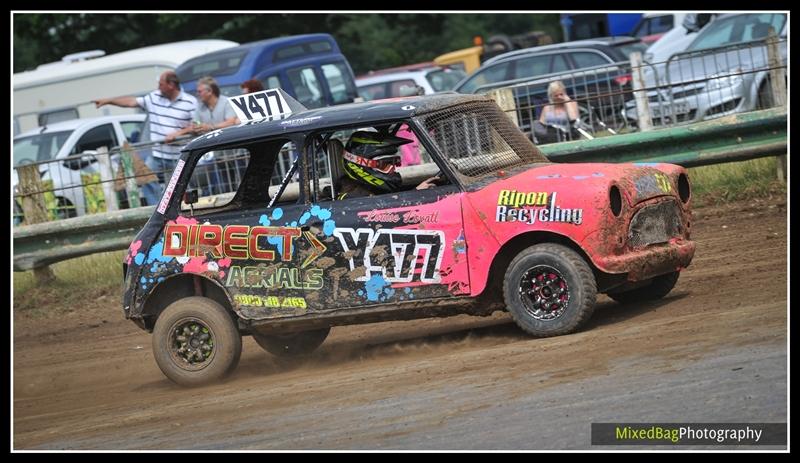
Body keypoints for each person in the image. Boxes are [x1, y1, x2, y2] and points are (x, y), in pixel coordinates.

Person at [94, 71, 197, 183]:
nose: (158, 88)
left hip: (180, 154)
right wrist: (108, 101)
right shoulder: (154, 97)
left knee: (183, 185)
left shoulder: (190, 102)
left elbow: (197, 125)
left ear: (171, 85)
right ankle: (157, 201)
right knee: (146, 180)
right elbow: (131, 102)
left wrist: (178, 134)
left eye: (161, 84)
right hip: (158, 153)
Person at [335, 130, 440, 200]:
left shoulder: (371, 189)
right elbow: (388, 215)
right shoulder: (354, 198)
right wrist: (416, 193)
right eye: (384, 165)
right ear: (360, 166)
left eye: (395, 163)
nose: (393, 169)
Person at [165, 76, 239, 141]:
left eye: (200, 92)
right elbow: (195, 124)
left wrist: (210, 127)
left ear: (210, 91)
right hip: (211, 150)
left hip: (229, 149)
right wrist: (179, 133)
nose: (197, 94)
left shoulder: (226, 102)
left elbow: (231, 122)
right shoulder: (200, 107)